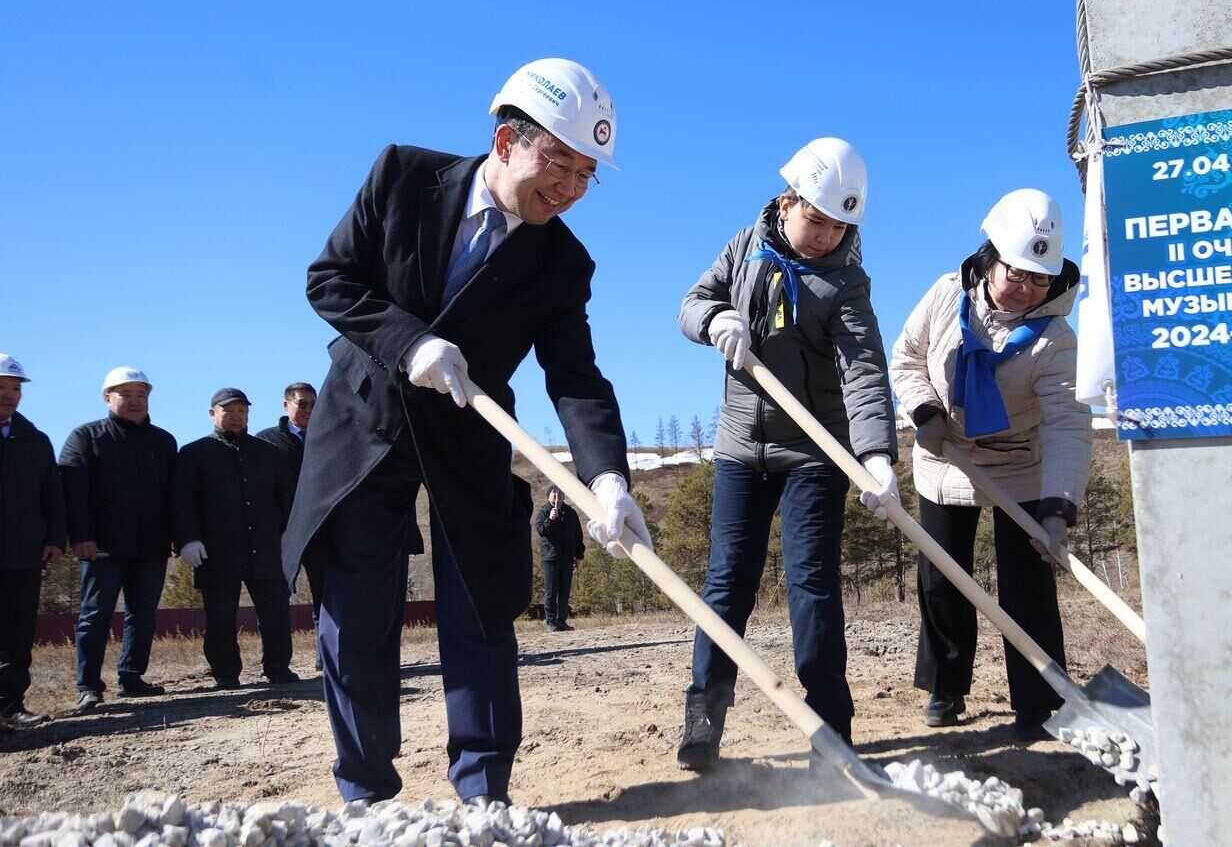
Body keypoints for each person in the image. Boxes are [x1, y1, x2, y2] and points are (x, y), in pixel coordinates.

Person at [280, 58, 646, 807]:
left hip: (468, 428)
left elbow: (574, 376)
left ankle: (484, 794)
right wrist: (408, 341)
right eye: (559, 164)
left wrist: (607, 479)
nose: (570, 190)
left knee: (482, 608)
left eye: (586, 176)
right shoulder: (403, 178)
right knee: (355, 617)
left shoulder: (562, 262)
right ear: (507, 140)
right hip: (368, 417)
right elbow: (331, 279)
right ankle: (366, 797)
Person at [674, 137, 899, 770]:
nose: (827, 235)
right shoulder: (745, 245)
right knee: (728, 583)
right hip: (741, 446)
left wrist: (876, 453)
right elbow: (690, 305)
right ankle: (703, 720)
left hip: (814, 451)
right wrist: (716, 320)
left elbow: (862, 370)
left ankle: (831, 731)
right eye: (816, 219)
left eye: (840, 225)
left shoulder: (848, 283)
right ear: (786, 200)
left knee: (812, 586)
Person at [887, 189, 1091, 739]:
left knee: (1027, 583)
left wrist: (1058, 510)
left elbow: (1067, 423)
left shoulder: (1056, 339)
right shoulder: (945, 295)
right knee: (942, 577)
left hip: (1020, 461)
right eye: (1016, 273)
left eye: (1039, 278)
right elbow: (905, 358)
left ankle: (1038, 700)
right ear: (989, 258)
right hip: (946, 455)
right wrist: (925, 411)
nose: (1027, 288)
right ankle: (946, 688)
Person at [58, 366, 178, 712]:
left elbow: (174, 495)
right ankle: (89, 687)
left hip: (151, 546)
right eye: (126, 394)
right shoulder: (86, 437)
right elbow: (73, 494)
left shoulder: (163, 441)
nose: (136, 401)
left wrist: (175, 536)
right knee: (95, 616)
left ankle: (131, 677)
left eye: (142, 394)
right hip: (103, 549)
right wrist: (81, 537)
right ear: (107, 398)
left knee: (143, 615)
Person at [172, 388, 297, 688]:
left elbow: (287, 499)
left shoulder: (268, 453)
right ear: (213, 413)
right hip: (216, 550)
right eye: (229, 411)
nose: (236, 417)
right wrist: (188, 539)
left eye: (242, 411)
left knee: (275, 612)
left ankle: (278, 668)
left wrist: (289, 538)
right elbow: (181, 501)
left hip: (266, 547)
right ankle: (226, 674)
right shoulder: (194, 454)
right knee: (220, 617)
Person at [0, 355, 67, 729]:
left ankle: (10, 705)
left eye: (15, 388)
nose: (9, 395)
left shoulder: (35, 440)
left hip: (23, 553)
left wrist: (56, 538)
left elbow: (52, 494)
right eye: (1, 387)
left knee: (16, 634)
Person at [256, 382, 325, 668]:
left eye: (313, 403)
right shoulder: (266, 441)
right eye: (302, 403)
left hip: (322, 531)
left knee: (327, 599)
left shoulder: (327, 435)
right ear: (286, 406)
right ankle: (276, 664)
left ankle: (328, 657)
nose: (309, 409)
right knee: (275, 601)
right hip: (282, 534)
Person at [534, 486, 583, 632]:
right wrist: (551, 518)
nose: (558, 495)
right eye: (554, 493)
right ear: (548, 496)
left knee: (564, 591)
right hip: (550, 558)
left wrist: (579, 556)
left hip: (567, 558)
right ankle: (550, 622)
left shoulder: (571, 513)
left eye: (561, 493)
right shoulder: (544, 512)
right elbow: (541, 530)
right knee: (551, 591)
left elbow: (578, 536)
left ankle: (561, 621)